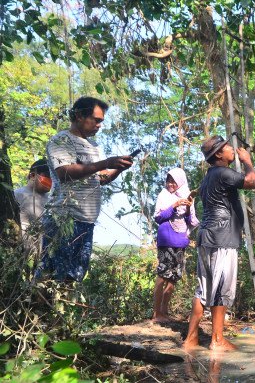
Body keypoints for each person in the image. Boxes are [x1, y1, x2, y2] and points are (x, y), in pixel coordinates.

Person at [40, 97, 133, 282]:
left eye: (101, 121)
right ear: (79, 115)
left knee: (73, 277)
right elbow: (64, 173)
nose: (99, 125)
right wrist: (105, 163)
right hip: (64, 219)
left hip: (86, 221)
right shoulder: (61, 140)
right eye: (96, 120)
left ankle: (63, 310)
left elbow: (100, 179)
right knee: (51, 276)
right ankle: (41, 309)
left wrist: (117, 168)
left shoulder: (94, 147)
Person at [184, 135, 255, 351]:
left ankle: (191, 339)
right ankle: (217, 339)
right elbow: (252, 182)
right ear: (218, 154)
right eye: (227, 147)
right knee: (221, 288)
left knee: (204, 288)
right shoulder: (223, 173)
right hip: (222, 238)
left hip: (207, 238)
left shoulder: (208, 177)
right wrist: (247, 161)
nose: (232, 149)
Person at [152, 167, 198, 322]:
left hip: (180, 241)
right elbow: (158, 217)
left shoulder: (187, 196)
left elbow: (191, 221)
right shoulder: (163, 195)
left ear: (180, 182)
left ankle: (164, 312)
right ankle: (156, 313)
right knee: (163, 274)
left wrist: (188, 208)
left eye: (174, 181)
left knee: (174, 277)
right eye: (168, 180)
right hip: (166, 239)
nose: (170, 184)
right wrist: (173, 206)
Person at [14, 159, 52, 252]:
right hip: (19, 251)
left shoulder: (52, 200)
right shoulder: (16, 194)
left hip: (42, 253)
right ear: (33, 175)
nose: (50, 180)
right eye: (47, 176)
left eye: (53, 177)